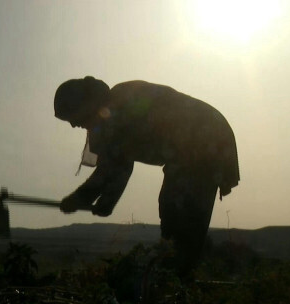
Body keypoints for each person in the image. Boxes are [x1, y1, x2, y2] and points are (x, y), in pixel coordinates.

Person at [54, 76, 239, 276]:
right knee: (174, 209)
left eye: (71, 116)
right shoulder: (112, 108)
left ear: (84, 104)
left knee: (179, 209)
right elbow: (118, 165)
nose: (73, 124)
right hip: (201, 142)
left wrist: (82, 199)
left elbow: (115, 167)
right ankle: (176, 277)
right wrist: (102, 202)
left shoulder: (115, 110)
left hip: (206, 140)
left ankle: (177, 279)